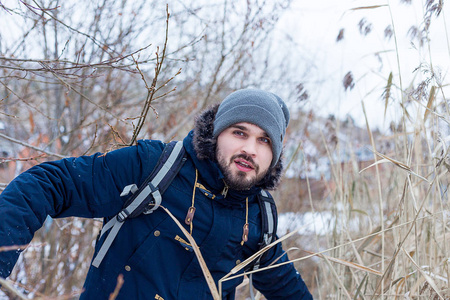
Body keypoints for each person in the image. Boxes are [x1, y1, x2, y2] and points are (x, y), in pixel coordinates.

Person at [0, 89, 313, 299]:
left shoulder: (258, 216)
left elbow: (288, 289)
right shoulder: (154, 168)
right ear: (218, 133)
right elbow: (46, 184)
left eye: (264, 141)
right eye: (240, 132)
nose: (249, 148)